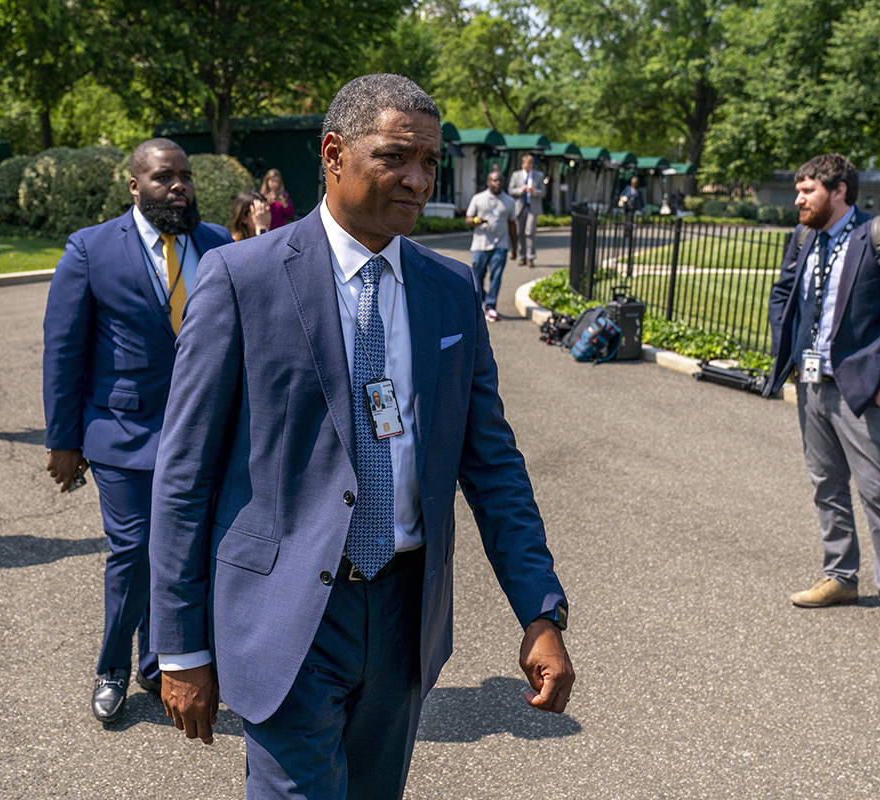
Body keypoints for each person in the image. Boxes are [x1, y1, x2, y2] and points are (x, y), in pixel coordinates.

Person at [150, 73, 573, 798]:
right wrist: (180, 644)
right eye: (395, 157)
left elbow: (495, 467)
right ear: (334, 153)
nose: (417, 179)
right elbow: (184, 474)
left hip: (405, 616)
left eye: (430, 163)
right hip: (289, 614)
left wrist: (539, 609)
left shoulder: (448, 294)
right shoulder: (241, 280)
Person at [42, 138, 232, 723]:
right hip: (124, 431)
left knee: (187, 550)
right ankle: (112, 667)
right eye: (163, 178)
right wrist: (63, 441)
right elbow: (63, 350)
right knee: (136, 550)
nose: (179, 186)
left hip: (204, 431)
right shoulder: (92, 249)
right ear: (134, 186)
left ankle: (159, 660)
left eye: (186, 176)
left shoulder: (218, 244)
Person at [763, 153, 880, 644]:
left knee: (879, 492)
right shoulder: (803, 237)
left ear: (839, 190)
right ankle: (841, 577)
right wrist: (791, 353)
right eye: (798, 190)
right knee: (826, 483)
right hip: (812, 385)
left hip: (865, 391)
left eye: (808, 191)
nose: (798, 199)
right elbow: (783, 295)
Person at [466, 167, 517, 323]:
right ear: (488, 182)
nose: (497, 183)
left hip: (500, 245)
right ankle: (477, 302)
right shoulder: (478, 198)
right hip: (480, 244)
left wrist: (514, 247)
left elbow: (512, 225)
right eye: (494, 180)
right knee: (477, 276)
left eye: (500, 180)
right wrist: (476, 221)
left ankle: (490, 306)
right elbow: (468, 219)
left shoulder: (509, 201)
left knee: (496, 276)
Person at [508, 153, 545, 266]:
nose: (528, 166)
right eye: (526, 164)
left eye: (530, 164)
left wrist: (534, 192)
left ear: (532, 165)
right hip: (519, 207)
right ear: (522, 164)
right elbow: (510, 190)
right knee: (520, 233)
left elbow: (543, 192)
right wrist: (521, 190)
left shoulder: (538, 175)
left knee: (530, 232)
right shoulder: (516, 175)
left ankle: (531, 257)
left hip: (532, 207)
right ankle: (522, 256)